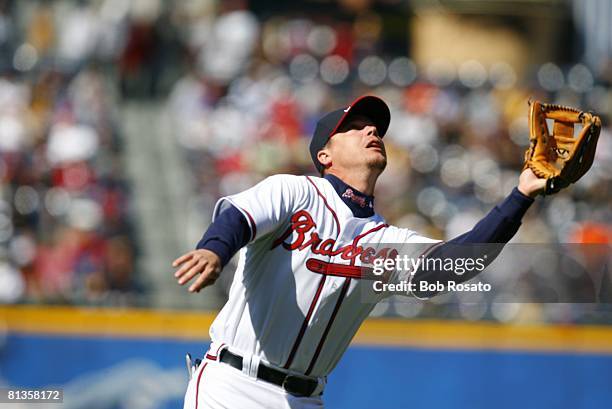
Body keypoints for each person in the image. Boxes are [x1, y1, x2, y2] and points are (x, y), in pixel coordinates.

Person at [173, 95, 546, 409]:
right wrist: (214, 250)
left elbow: (452, 266)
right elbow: (238, 216)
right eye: (354, 127)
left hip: (304, 398)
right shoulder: (294, 192)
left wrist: (520, 196)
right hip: (230, 386)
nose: (371, 131)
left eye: (376, 128)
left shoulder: (383, 240)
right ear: (324, 154)